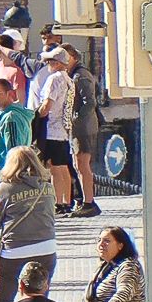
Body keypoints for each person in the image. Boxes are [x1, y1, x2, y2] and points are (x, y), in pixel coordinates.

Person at [0, 146, 58, 302]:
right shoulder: (47, 186)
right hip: (46, 248)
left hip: (15, 250)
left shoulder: (5, 189)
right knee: (38, 297)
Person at [30, 48, 76, 214]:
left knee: (54, 167)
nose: (48, 64)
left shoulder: (54, 79)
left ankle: (58, 202)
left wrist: (36, 115)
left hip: (51, 128)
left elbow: (46, 106)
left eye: (50, 61)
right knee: (62, 166)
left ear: (56, 63)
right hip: (63, 129)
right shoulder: (69, 80)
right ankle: (66, 199)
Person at [66, 47, 102, 216]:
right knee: (78, 164)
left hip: (84, 128)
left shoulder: (80, 75)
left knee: (82, 164)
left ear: (73, 57)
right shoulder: (74, 75)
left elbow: (89, 102)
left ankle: (89, 202)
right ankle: (86, 201)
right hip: (80, 127)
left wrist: (76, 118)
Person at [0, 77, 35, 172]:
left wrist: (10, 175)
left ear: (9, 93)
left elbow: (15, 152)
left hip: (7, 174)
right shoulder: (6, 116)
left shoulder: (11, 117)